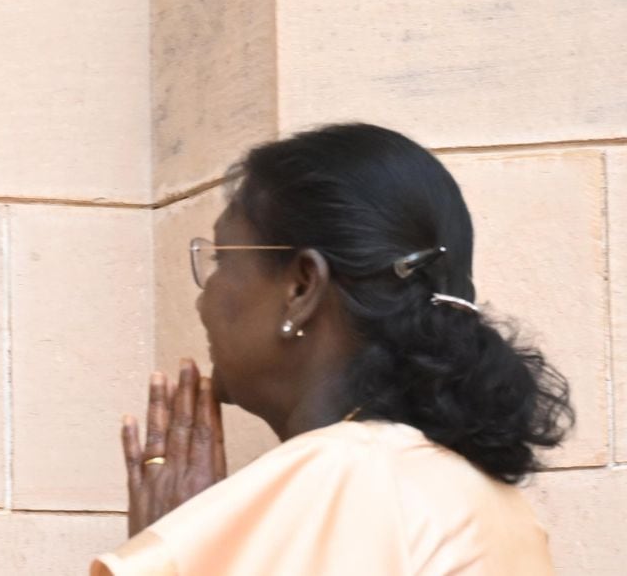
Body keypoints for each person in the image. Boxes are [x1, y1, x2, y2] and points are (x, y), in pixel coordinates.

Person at [93, 123, 572, 575]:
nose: (204, 297)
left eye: (221, 259)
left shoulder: (340, 478)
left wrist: (176, 552)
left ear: (302, 287)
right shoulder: (502, 506)